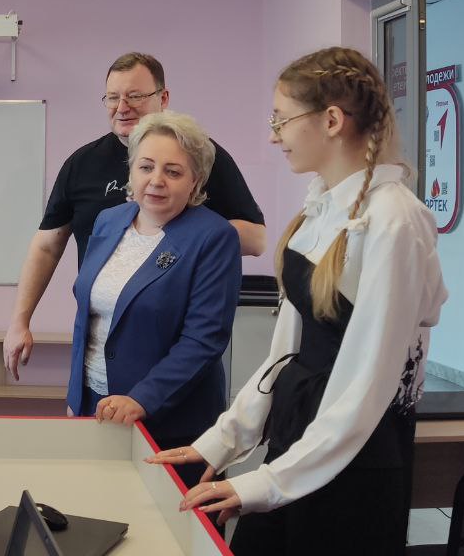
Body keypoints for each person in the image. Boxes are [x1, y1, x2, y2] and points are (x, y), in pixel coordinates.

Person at [149, 47, 448, 555]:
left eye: (281, 119)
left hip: (352, 455)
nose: (273, 135)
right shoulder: (322, 205)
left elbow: (368, 383)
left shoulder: (395, 220)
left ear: (331, 120)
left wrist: (268, 483)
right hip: (301, 438)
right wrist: (221, 441)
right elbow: (286, 353)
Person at [5, 52, 264, 379]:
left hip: (170, 342)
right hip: (98, 347)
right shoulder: (82, 164)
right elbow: (46, 246)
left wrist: (174, 229)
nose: (122, 107)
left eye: (135, 96)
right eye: (113, 97)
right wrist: (20, 320)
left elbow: (256, 239)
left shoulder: (199, 155)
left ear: (163, 98)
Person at [68, 111, 240, 488]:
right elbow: (90, 314)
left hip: (171, 423)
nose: (156, 180)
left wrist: (142, 399)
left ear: (195, 180)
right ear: (131, 171)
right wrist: (77, 395)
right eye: (146, 167)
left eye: (173, 172)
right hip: (96, 406)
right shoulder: (109, 220)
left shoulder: (213, 237)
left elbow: (204, 340)